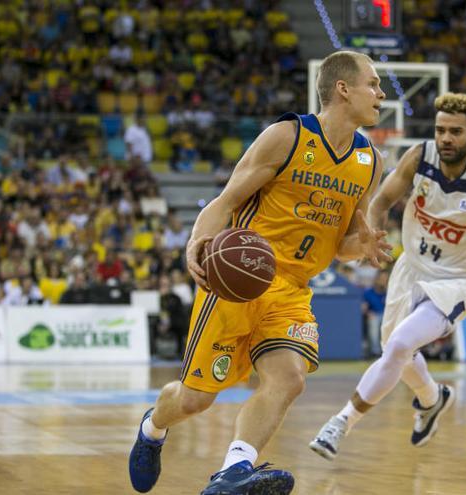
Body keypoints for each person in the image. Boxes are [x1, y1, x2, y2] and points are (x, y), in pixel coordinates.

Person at [128, 50, 391, 494]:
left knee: (289, 379)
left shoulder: (370, 162)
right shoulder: (286, 137)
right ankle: (152, 428)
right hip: (240, 278)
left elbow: (343, 243)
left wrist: (360, 245)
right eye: (373, 83)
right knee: (195, 399)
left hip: (291, 291)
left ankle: (232, 472)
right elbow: (226, 202)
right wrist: (197, 243)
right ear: (343, 89)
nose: (382, 93)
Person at [308, 93, 466, 459]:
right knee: (396, 351)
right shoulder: (420, 157)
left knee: (400, 345)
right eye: (440, 130)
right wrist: (372, 234)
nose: (446, 138)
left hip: (455, 282)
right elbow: (381, 201)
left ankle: (341, 422)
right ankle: (432, 399)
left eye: (455, 131)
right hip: (410, 271)